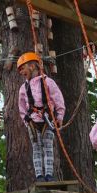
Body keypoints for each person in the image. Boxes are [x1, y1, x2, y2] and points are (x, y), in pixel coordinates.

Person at [17, 52, 65, 182]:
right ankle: (39, 175)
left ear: (32, 66)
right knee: (36, 148)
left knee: (48, 146)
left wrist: (59, 117)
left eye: (23, 68)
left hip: (47, 120)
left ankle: (49, 174)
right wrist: (26, 121)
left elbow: (58, 99)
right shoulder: (23, 88)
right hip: (32, 121)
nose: (21, 72)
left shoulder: (48, 82)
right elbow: (21, 106)